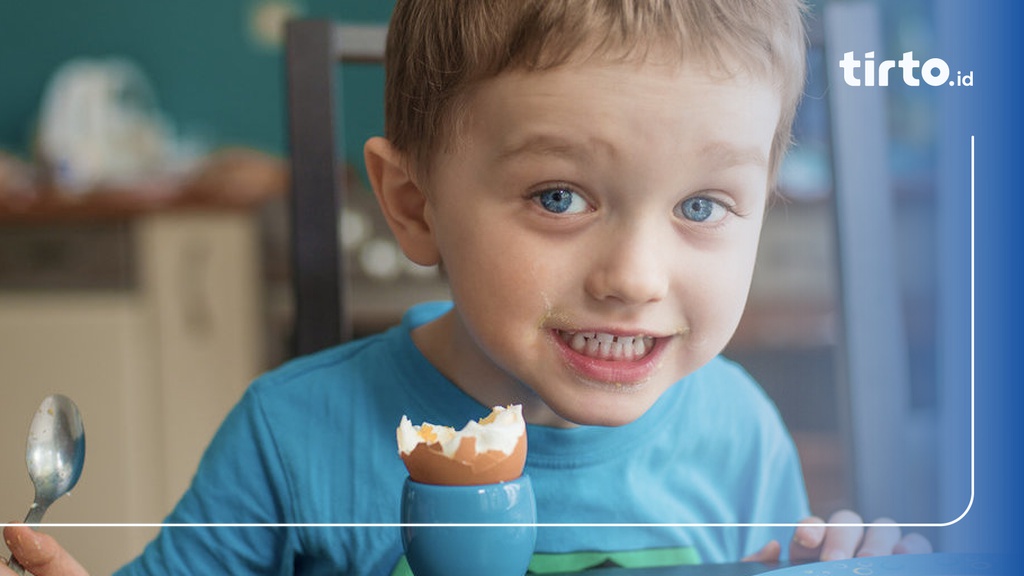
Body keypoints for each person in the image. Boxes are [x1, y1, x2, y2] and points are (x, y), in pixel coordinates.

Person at [3, 0, 932, 574]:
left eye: (703, 205)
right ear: (413, 206)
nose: (635, 280)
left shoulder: (740, 433)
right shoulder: (291, 438)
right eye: (559, 196)